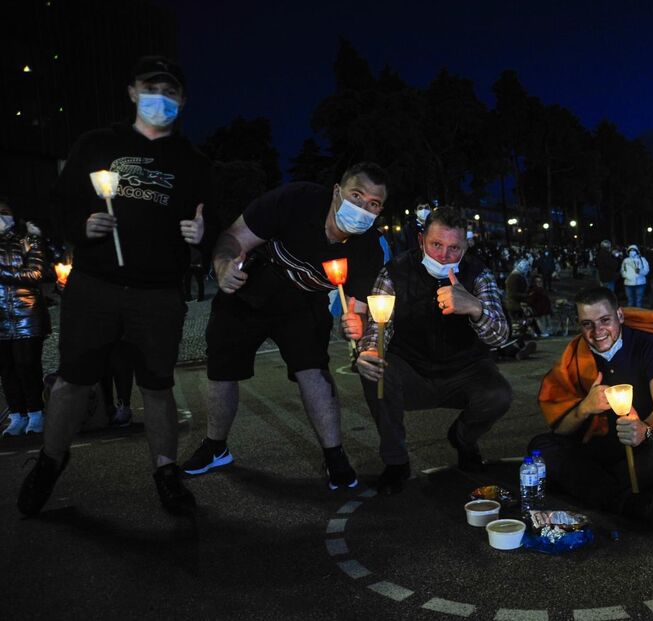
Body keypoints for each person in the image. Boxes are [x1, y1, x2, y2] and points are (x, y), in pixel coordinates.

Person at [18, 56, 212, 516]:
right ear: (132, 92)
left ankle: (166, 472)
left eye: (170, 91)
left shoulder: (193, 161)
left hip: (159, 290)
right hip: (95, 285)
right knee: (72, 381)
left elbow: (210, 218)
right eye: (150, 87)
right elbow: (59, 204)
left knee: (158, 385)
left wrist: (202, 236)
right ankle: (49, 461)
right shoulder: (96, 144)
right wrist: (81, 225)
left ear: (182, 101)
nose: (159, 99)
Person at [181, 162, 389, 491]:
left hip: (305, 302)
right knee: (223, 368)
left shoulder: (369, 247)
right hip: (254, 283)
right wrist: (222, 266)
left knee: (314, 371)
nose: (363, 208)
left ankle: (334, 456)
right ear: (337, 192)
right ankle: (215, 446)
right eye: (356, 195)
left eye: (374, 204)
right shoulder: (296, 200)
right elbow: (234, 238)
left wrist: (355, 325)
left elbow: (357, 309)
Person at [356, 207, 511, 495]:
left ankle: (464, 439)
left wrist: (474, 308)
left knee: (499, 393)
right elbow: (379, 326)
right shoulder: (395, 272)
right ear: (421, 241)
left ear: (466, 246)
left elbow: (500, 336)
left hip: (466, 372)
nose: (443, 256)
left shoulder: (478, 274)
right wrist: (367, 352)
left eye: (454, 248)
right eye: (436, 245)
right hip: (412, 370)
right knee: (376, 371)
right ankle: (396, 462)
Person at [530, 287, 653, 525]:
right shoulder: (576, 354)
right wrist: (585, 408)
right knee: (541, 446)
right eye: (587, 324)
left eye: (605, 320)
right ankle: (622, 500)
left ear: (620, 316)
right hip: (599, 444)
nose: (597, 332)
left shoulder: (648, 344)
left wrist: (645, 429)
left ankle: (599, 492)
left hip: (643, 443)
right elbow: (560, 430)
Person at [0, 202, 51, 437]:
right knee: (6, 370)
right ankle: (16, 415)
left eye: (4, 213)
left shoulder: (29, 239)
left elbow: (36, 273)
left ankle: (36, 414)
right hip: (1, 319)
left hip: (27, 315)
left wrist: (3, 272)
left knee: (27, 367)